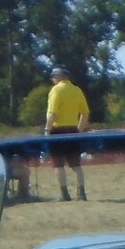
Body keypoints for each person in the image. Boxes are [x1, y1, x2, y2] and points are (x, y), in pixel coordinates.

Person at [44, 66, 90, 201]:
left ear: (58, 77)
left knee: (58, 164)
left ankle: (64, 194)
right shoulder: (77, 90)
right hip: (73, 129)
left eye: (53, 77)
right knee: (76, 165)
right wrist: (79, 129)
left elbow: (52, 113)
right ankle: (81, 193)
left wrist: (47, 129)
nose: (52, 80)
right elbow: (85, 113)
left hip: (57, 130)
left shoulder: (56, 90)